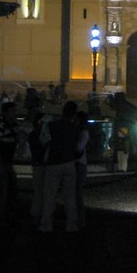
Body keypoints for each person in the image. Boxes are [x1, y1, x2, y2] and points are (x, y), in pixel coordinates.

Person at [39, 100, 79, 233]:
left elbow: (44, 141)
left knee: (50, 195)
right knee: (70, 196)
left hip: (54, 162)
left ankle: (46, 224)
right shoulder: (74, 127)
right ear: (74, 114)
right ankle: (71, 225)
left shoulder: (52, 125)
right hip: (69, 162)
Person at [0, 101, 20, 223]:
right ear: (6, 113)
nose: (15, 113)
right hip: (2, 161)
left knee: (4, 188)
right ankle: (1, 216)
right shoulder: (4, 127)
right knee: (4, 189)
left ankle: (1, 215)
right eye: (13, 111)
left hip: (3, 161)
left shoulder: (3, 127)